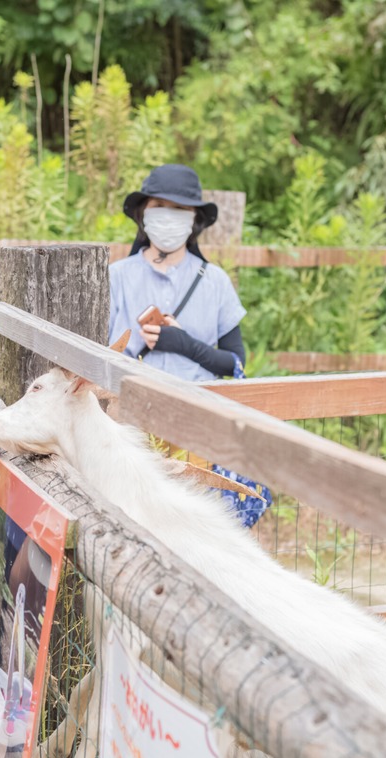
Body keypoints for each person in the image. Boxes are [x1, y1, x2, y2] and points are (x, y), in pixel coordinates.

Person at [108, 163, 271, 527]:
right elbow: (96, 357)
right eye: (159, 207)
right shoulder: (116, 277)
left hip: (197, 426)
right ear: (142, 214)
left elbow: (234, 363)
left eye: (179, 209)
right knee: (134, 523)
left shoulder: (215, 282)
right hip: (131, 427)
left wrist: (184, 344)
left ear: (194, 219)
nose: (169, 216)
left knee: (196, 525)